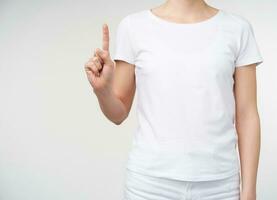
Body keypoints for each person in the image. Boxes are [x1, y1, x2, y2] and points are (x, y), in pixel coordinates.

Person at [84, 0, 263, 199]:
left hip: (219, 185)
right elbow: (118, 113)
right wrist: (103, 91)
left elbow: (247, 115)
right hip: (149, 185)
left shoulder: (238, 29)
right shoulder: (134, 27)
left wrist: (249, 191)